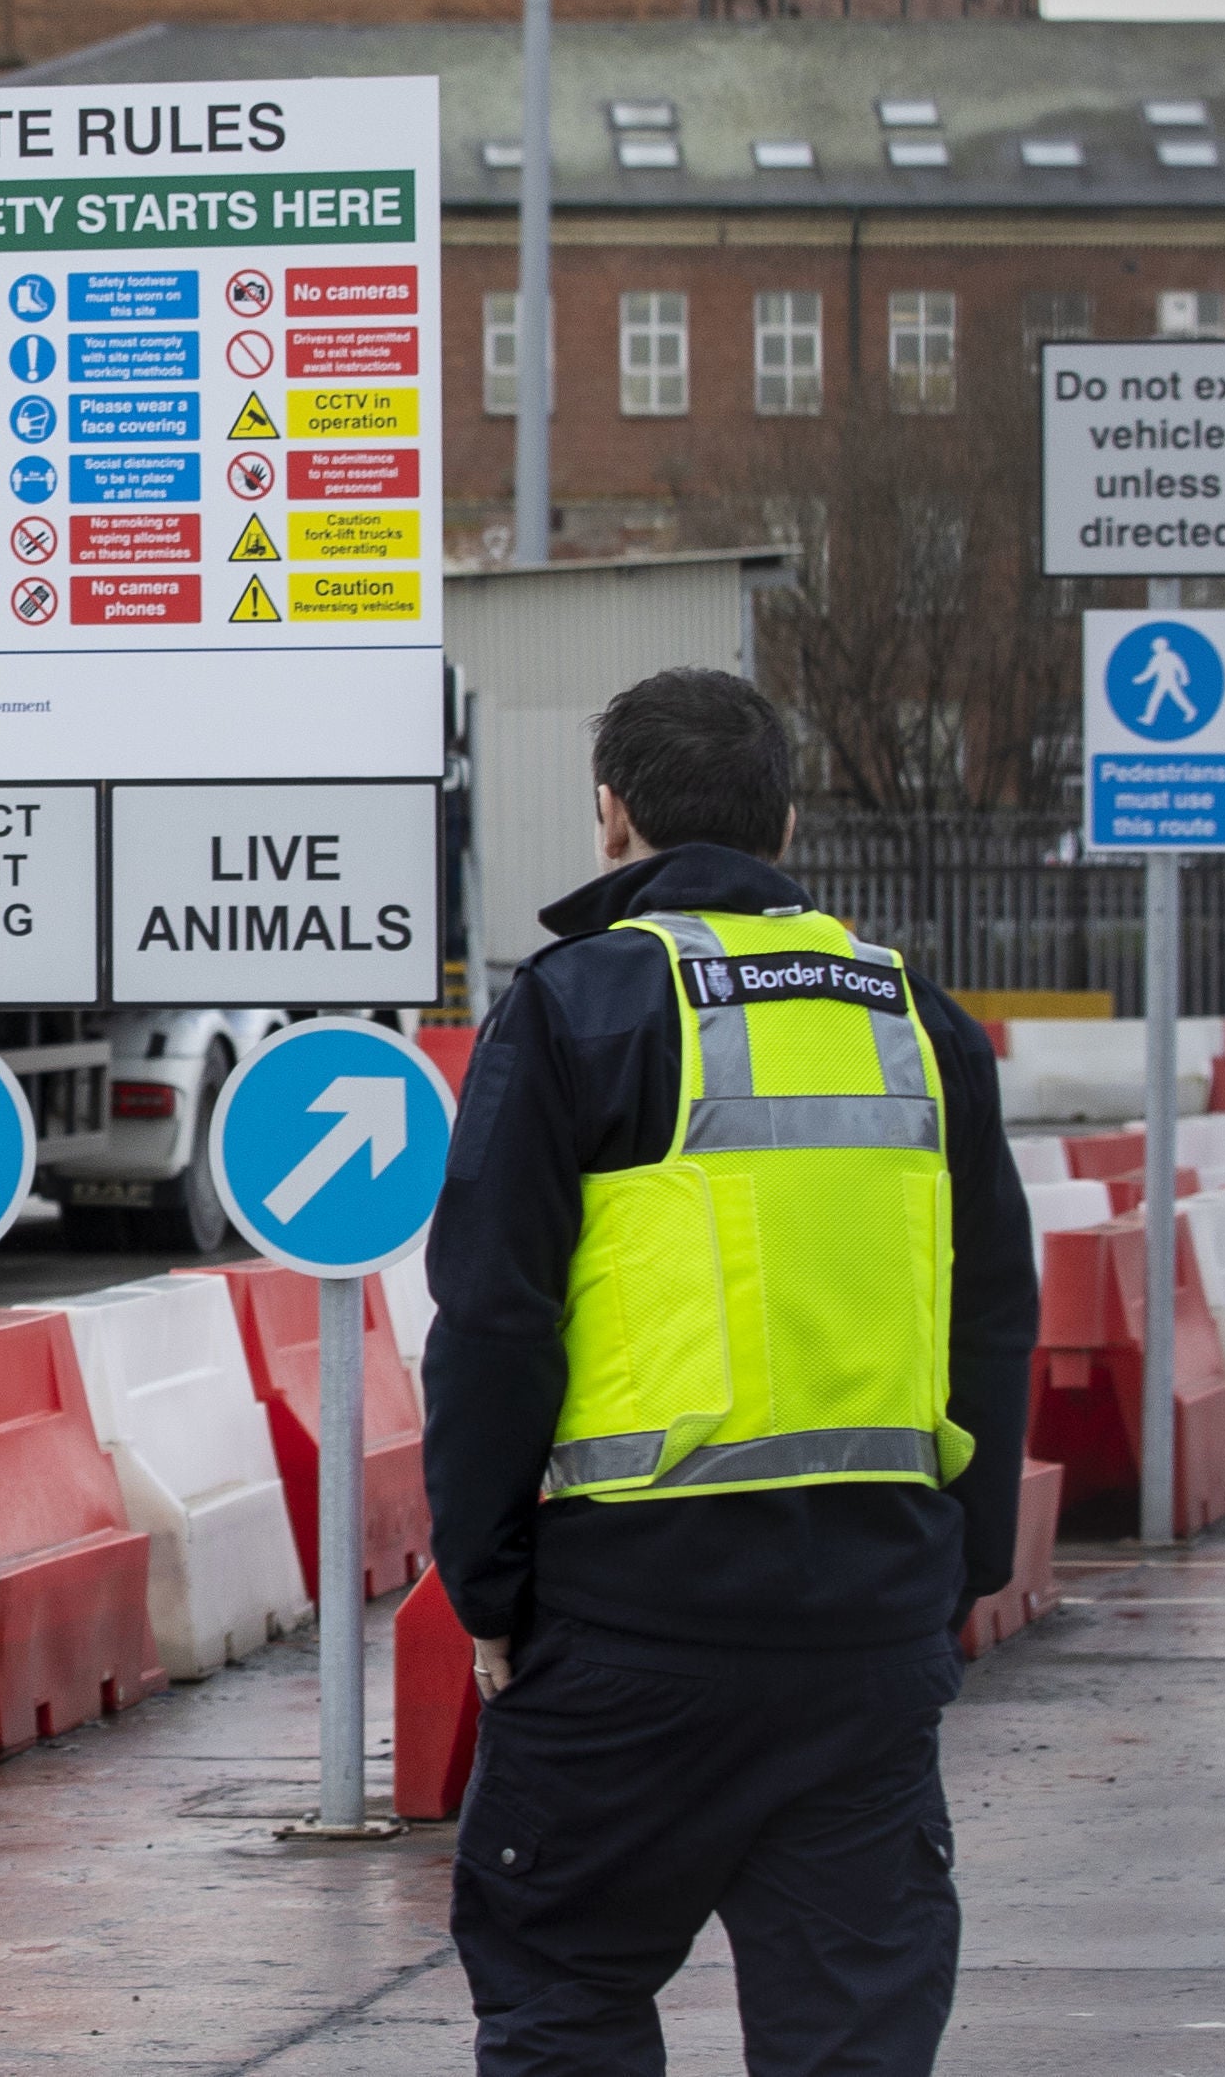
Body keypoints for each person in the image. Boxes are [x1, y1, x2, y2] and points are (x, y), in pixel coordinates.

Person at [421, 668, 1037, 2077]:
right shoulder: (923, 1026)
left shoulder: (577, 1007)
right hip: (870, 1635)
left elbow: (494, 1321)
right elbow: (994, 1314)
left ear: (609, 816)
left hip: (629, 1628)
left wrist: (488, 1585)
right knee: (854, 2035)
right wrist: (961, 1565)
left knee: (564, 1992)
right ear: (790, 823)